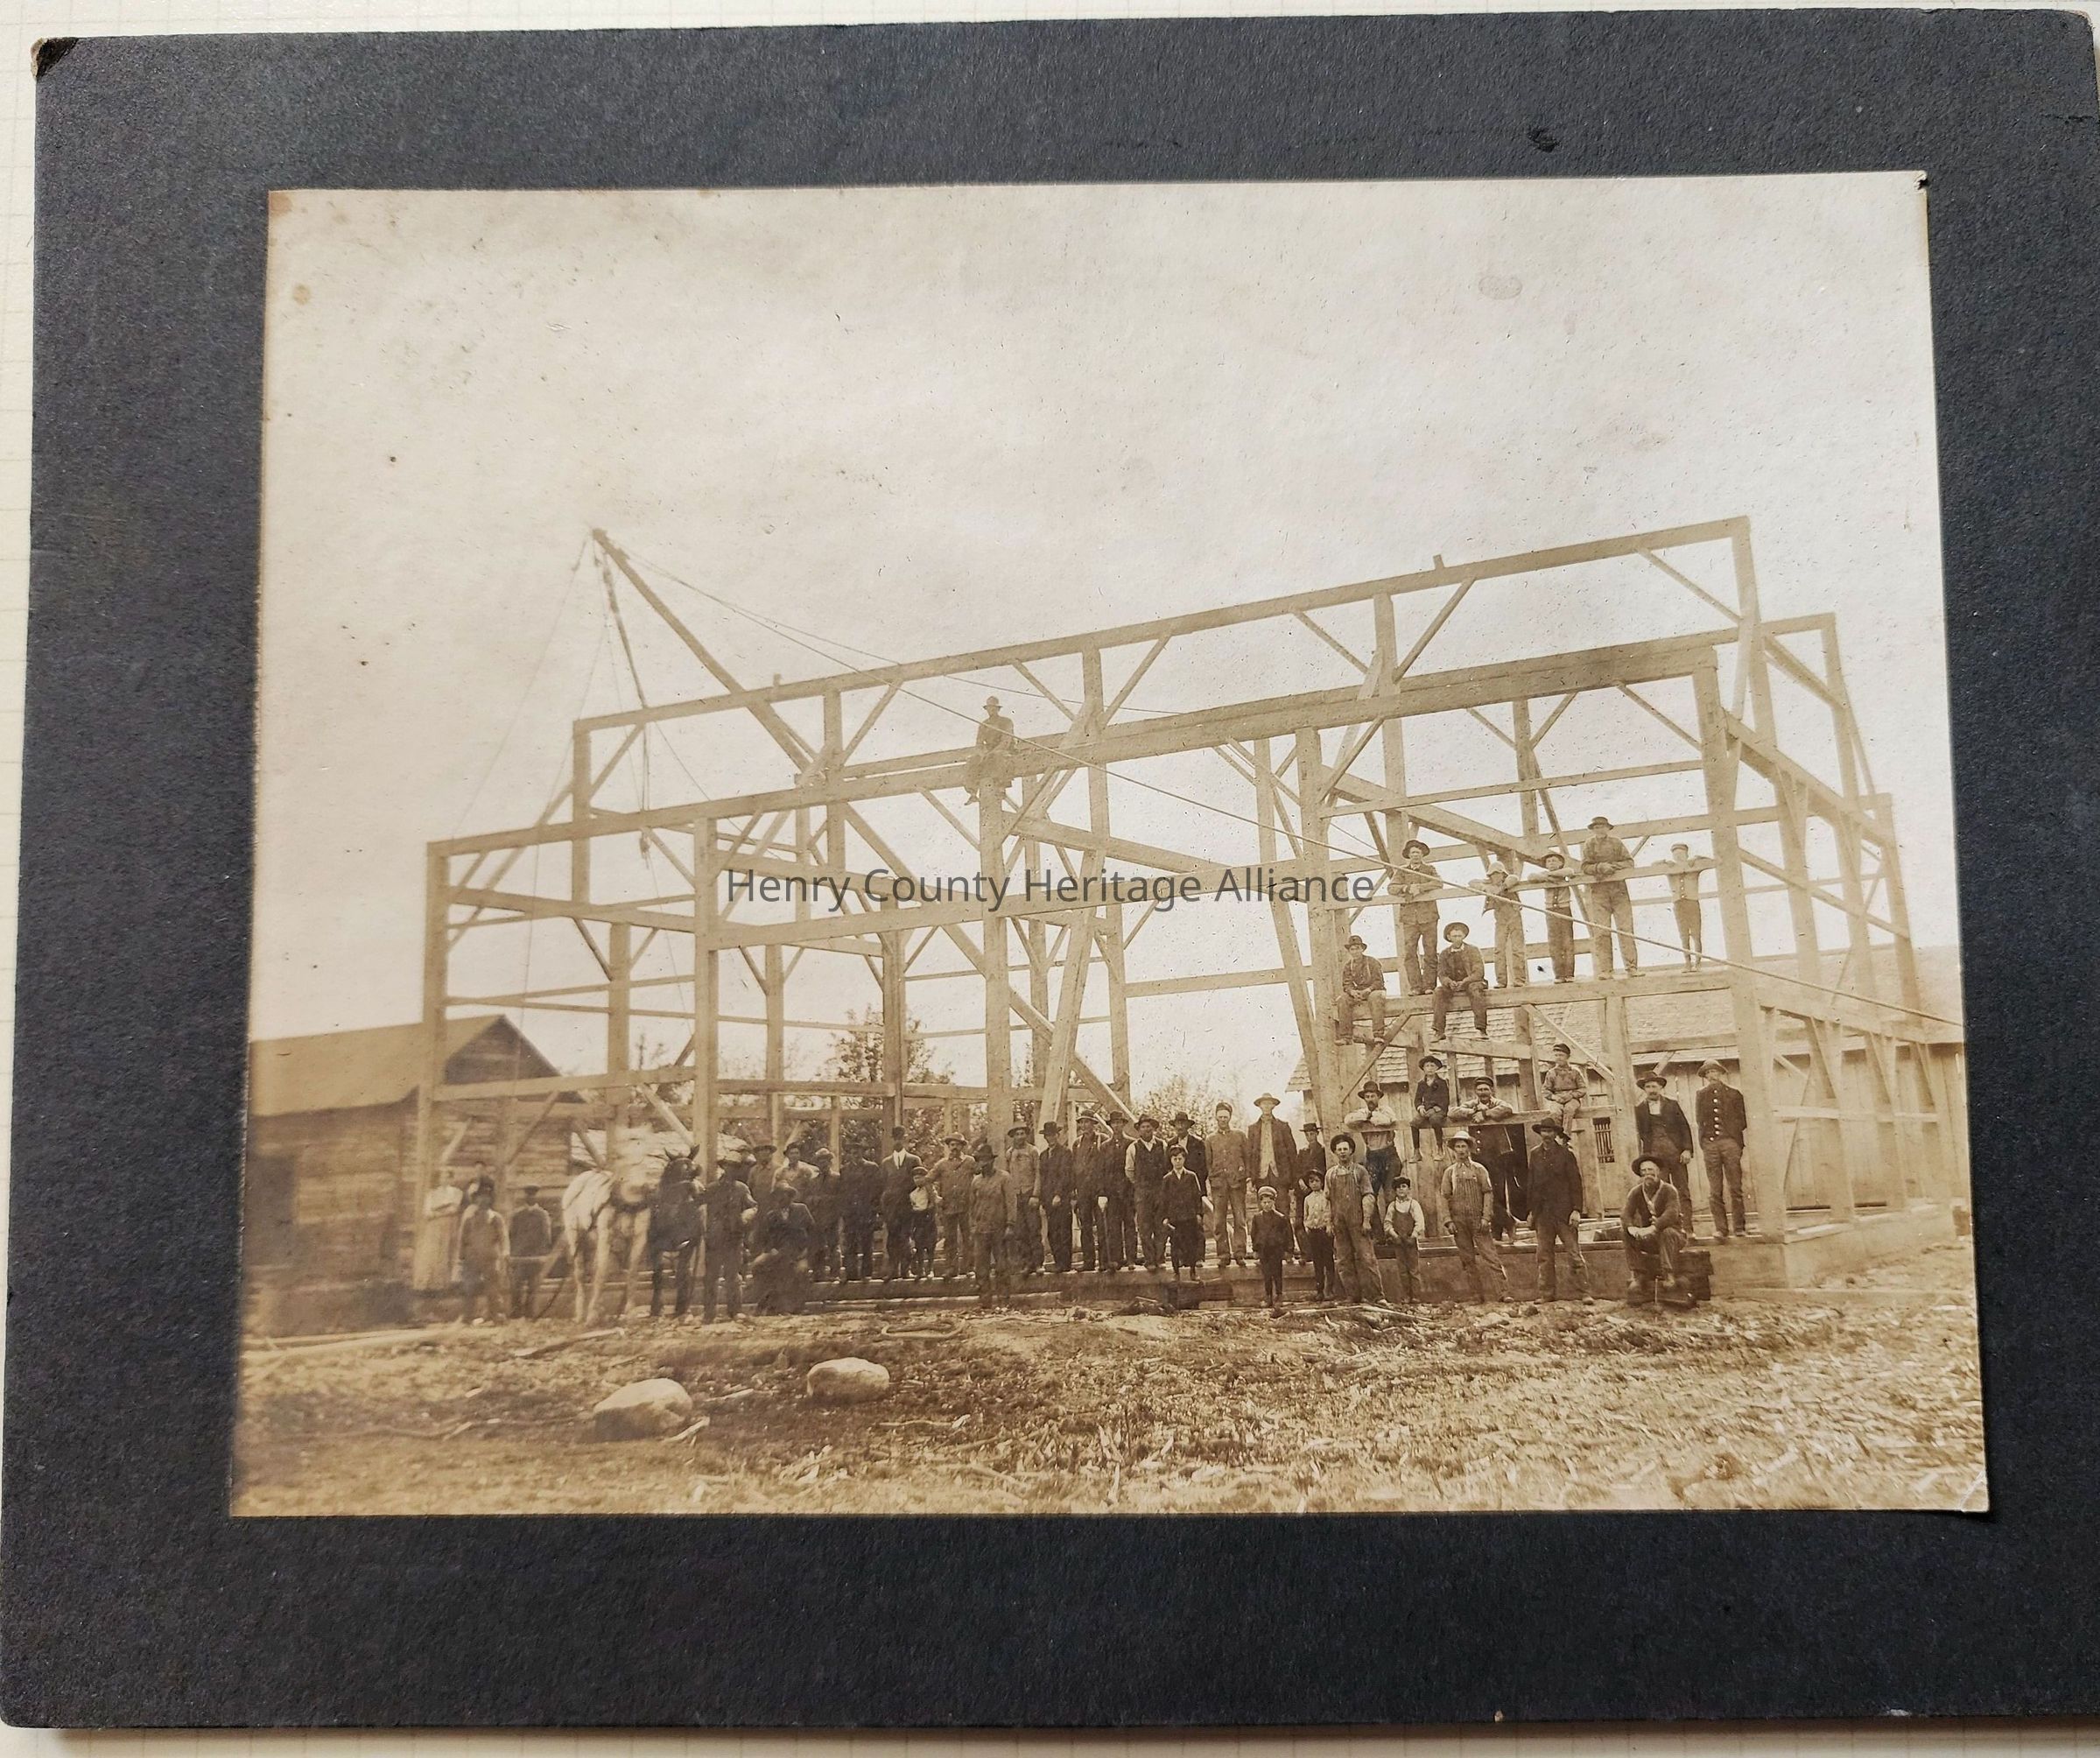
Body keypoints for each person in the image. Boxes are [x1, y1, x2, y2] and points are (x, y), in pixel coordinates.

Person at [1440, 1129, 1508, 1303]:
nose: (1461, 1150)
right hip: (1459, 1222)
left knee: (1490, 1256)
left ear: (1469, 1148)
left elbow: (1488, 1193)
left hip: (1478, 1220)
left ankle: (1503, 1293)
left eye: (1464, 1146)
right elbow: (1445, 1197)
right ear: (1454, 1150)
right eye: (1458, 1147)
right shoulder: (1450, 1172)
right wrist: (1448, 1221)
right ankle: (1476, 1296)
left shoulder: (1479, 1169)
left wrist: (1486, 1217)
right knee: (1467, 1259)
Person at [1527, 1121, 1591, 1303]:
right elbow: (1531, 1185)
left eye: (1550, 1131)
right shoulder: (1535, 1154)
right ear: (1540, 1133)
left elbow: (1576, 1184)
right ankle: (1547, 1294)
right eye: (1543, 1131)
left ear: (1555, 1134)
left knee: (1574, 1254)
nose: (1546, 1135)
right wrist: (1531, 1211)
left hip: (1564, 1213)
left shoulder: (1566, 1155)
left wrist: (1576, 1210)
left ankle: (1584, 1292)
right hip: (1543, 1214)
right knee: (1544, 1256)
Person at [1324, 1135, 1386, 1305]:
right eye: (1339, 1149)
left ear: (1351, 1151)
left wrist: (1366, 1219)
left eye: (1345, 1149)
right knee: (1344, 1260)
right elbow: (1327, 1201)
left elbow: (1368, 1196)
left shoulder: (1360, 1171)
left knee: (1367, 1258)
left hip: (1358, 1222)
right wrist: (1328, 1222)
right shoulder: (1331, 1174)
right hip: (1339, 1223)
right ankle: (1353, 1296)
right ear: (1335, 1152)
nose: (1342, 1152)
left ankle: (1377, 1296)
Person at [1623, 1153, 1692, 1306]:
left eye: (1651, 1170)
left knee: (1667, 1232)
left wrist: (1655, 1227)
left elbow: (1671, 1214)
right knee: (1627, 1233)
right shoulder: (1636, 1192)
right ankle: (1638, 1274)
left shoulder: (1669, 1190)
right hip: (1651, 1238)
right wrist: (1632, 1228)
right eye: (1644, 1171)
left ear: (1658, 1171)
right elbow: (1626, 1214)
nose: (1648, 1174)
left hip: (1673, 1235)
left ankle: (1668, 1273)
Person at [1457, 1077, 1521, 1241]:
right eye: (1480, 1090)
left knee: (1497, 1193)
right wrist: (1473, 1113)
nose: (1483, 1092)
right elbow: (1453, 1112)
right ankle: (1506, 1222)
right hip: (1478, 1156)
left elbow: (1507, 1109)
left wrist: (1485, 1114)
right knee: (1481, 1193)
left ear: (1491, 1091)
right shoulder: (1471, 1105)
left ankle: (1500, 1230)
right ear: (1475, 1092)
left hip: (1497, 1156)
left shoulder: (1497, 1103)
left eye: (1486, 1089)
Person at [697, 1154, 758, 1322]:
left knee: (733, 1276)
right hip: (715, 1239)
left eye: (735, 1167)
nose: (731, 1170)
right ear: (723, 1167)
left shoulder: (742, 1189)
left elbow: (753, 1206)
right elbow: (697, 1203)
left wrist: (747, 1214)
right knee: (711, 1276)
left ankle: (735, 1311)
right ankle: (709, 1313)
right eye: (728, 1166)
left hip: (734, 1237)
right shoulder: (712, 1188)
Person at [1696, 1060, 1751, 1240]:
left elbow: (1743, 1119)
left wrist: (1732, 1136)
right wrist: (1705, 1142)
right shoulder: (1701, 1095)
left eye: (1714, 1072)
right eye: (1708, 1073)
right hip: (1711, 1145)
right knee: (1715, 1190)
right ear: (1705, 1077)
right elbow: (1700, 1120)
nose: (1712, 1075)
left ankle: (1739, 1227)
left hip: (1729, 1144)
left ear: (1720, 1074)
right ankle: (1721, 1229)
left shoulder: (1734, 1093)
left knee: (1735, 1187)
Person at [1580, 814, 1640, 975]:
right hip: (1599, 893)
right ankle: (1606, 970)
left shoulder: (1616, 843)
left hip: (1619, 891)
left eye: (1602, 827)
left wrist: (1612, 867)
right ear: (1593, 830)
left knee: (1625, 929)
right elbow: (1584, 867)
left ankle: (1632, 968)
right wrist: (1599, 867)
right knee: (1601, 931)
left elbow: (1629, 863)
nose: (1599, 830)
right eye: (1596, 827)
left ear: (1608, 828)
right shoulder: (1589, 844)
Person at [748, 1182, 816, 1314]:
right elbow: (765, 1238)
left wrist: (807, 1251)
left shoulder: (801, 1210)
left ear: (790, 1196)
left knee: (800, 1270)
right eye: (778, 1195)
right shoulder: (771, 1215)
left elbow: (813, 1232)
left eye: (785, 1194)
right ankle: (767, 1303)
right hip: (778, 1253)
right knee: (758, 1265)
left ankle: (797, 1306)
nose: (781, 1198)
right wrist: (770, 1249)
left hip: (800, 1253)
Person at [647, 1159, 702, 1319]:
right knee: (660, 1270)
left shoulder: (693, 1187)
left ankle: (681, 1308)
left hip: (683, 1234)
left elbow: (698, 1207)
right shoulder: (662, 1190)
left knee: (682, 1271)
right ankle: (659, 1305)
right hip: (664, 1234)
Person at [1634, 1072, 1695, 1216]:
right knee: (1660, 1191)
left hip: (1676, 1154)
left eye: (1654, 1086)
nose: (1652, 1090)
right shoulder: (1639, 1109)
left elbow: (1684, 1128)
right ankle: (1666, 1225)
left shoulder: (1672, 1105)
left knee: (1682, 1190)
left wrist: (1687, 1150)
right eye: (1648, 1087)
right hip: (1655, 1157)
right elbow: (1641, 1134)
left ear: (1660, 1087)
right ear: (1644, 1089)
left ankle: (1687, 1225)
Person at [1390, 838, 1441, 993]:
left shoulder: (1430, 869)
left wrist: (1420, 888)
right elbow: (1392, 888)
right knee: (1410, 953)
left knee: (1430, 951)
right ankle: (1416, 987)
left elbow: (1438, 883)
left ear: (1422, 854)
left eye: (1418, 852)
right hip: (1409, 919)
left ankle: (1429, 986)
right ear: (1409, 855)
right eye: (1413, 852)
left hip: (1429, 917)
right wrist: (1406, 888)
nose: (1415, 855)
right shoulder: (1402, 871)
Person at [454, 1181, 509, 1324]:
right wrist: (461, 1256)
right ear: (475, 1200)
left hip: (490, 1258)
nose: (482, 1200)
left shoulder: (496, 1218)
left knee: (493, 1288)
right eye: (479, 1197)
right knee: (469, 1287)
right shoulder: (469, 1219)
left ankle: (495, 1315)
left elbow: (503, 1236)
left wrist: (505, 1251)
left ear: (490, 1199)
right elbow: (462, 1238)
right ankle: (468, 1316)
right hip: (472, 1258)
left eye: (486, 1197)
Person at [968, 1149, 1016, 1309]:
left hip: (999, 1229)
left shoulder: (1004, 1178)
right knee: (981, 1267)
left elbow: (1011, 1202)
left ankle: (1004, 1300)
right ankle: (985, 1301)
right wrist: (973, 1226)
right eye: (980, 1161)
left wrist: (1010, 1224)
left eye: (986, 1160)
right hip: (981, 1229)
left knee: (1002, 1265)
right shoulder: (976, 1181)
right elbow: (972, 1206)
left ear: (992, 1161)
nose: (984, 1164)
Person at [1205, 1101, 1249, 1269]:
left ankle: (1240, 1253)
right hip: (1219, 1185)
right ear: (1216, 1118)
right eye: (1220, 1117)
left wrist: (1245, 1176)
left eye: (1225, 1117)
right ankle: (1223, 1254)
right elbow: (1208, 1163)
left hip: (1237, 1184)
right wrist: (1213, 1179)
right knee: (1218, 1221)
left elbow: (1247, 1158)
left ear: (1230, 1117)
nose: (1223, 1120)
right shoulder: (1210, 1139)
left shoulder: (1239, 1136)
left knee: (1240, 1219)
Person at [1431, 920, 1490, 1039]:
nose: (1457, 939)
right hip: (1453, 986)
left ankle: (1481, 1030)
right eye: (1454, 936)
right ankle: (1439, 1031)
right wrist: (1449, 982)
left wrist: (1465, 982)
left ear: (1464, 936)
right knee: (1438, 992)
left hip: (1472, 983)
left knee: (1474, 989)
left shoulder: (1473, 950)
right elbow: (1441, 974)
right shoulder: (1444, 954)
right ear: (1449, 937)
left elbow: (1478, 973)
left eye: (1459, 936)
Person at [1127, 1115, 1170, 1270]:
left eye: (1149, 1127)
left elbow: (1167, 1167)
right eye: (1143, 1127)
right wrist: (1140, 1185)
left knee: (1161, 1226)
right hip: (1142, 1192)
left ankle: (1160, 1258)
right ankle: (1150, 1260)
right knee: (1144, 1227)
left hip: (1159, 1191)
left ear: (1153, 1129)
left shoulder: (1162, 1145)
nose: (1146, 1129)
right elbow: (1129, 1171)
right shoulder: (1133, 1148)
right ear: (1139, 1130)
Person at [1345, 1079, 1401, 1199]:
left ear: (1378, 1097)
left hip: (1389, 1154)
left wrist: (1371, 1116)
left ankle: (1390, 1212)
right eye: (1367, 1097)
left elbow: (1388, 1120)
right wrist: (1366, 1116)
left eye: (1373, 1096)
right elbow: (1348, 1120)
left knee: (1390, 1192)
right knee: (1370, 1192)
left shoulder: (1386, 1110)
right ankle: (1373, 1213)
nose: (1370, 1099)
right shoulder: (1362, 1112)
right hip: (1372, 1156)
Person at [879, 1129, 922, 1282]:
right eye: (895, 1138)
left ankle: (906, 1269)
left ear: (905, 1140)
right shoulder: (886, 1163)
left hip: (907, 1205)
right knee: (892, 1238)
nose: (898, 1141)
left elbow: (919, 1182)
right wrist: (884, 1207)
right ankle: (892, 1269)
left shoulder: (913, 1160)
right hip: (891, 1208)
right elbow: (883, 1186)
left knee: (906, 1237)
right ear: (892, 1140)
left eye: (901, 1138)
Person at [1333, 933, 1389, 1045]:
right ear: (1349, 951)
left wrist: (1369, 989)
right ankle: (1346, 1037)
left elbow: (1379, 981)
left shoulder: (1372, 962)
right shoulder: (1348, 966)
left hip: (1374, 990)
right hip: (1359, 992)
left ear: (1362, 949)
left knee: (1375, 998)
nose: (1355, 952)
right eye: (1352, 949)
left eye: (1357, 948)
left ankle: (1378, 1034)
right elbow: (1346, 984)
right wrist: (1352, 992)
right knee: (1342, 1000)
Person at [1244, 1093, 1298, 1209]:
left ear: (1273, 1106)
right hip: (1261, 1174)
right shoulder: (1253, 1129)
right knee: (1264, 1209)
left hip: (1280, 1174)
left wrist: (1294, 1178)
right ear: (1260, 1106)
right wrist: (1249, 1177)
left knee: (1282, 1208)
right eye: (1264, 1104)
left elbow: (1292, 1153)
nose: (1267, 1106)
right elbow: (1249, 1155)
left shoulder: (1282, 1126)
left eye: (1269, 1104)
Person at [508, 1185, 553, 1318]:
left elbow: (546, 1237)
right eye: (528, 1194)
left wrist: (543, 1254)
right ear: (525, 1196)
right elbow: (511, 1235)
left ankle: (529, 1314)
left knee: (533, 1286)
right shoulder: (517, 1215)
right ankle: (516, 1313)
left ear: (536, 1197)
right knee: (516, 1285)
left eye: (533, 1194)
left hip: (535, 1256)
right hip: (520, 1256)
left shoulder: (542, 1215)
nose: (530, 1197)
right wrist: (513, 1253)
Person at [1003, 1124, 1043, 1275]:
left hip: (1029, 1193)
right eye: (1017, 1134)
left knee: (1034, 1229)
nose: (1020, 1137)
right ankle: (1027, 1263)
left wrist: (1035, 1195)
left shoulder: (1033, 1151)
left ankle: (1038, 1263)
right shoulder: (1010, 1153)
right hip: (1016, 1195)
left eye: (1022, 1134)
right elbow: (1007, 1175)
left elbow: (1038, 1173)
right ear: (1013, 1137)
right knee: (1020, 1231)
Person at [935, 1133, 975, 1279]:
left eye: (958, 1144)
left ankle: (968, 1267)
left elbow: (981, 1175)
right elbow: (927, 1180)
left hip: (966, 1205)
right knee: (950, 1238)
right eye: (952, 1145)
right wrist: (935, 1196)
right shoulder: (941, 1164)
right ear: (948, 1147)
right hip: (948, 1207)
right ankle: (951, 1268)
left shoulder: (970, 1161)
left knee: (968, 1237)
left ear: (962, 1146)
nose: (955, 1147)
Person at [839, 1148, 882, 1281]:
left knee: (866, 1244)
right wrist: (844, 1210)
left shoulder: (872, 1168)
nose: (855, 1154)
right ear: (850, 1154)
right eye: (853, 1152)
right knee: (850, 1244)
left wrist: (875, 1209)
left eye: (858, 1151)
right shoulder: (845, 1170)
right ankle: (851, 1274)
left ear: (862, 1153)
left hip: (866, 1212)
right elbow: (842, 1192)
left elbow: (877, 1190)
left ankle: (866, 1273)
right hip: (851, 1213)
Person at [1482, 861, 1528, 988]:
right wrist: (1485, 888)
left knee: (1517, 949)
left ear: (1503, 874)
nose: (1495, 877)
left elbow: (1514, 878)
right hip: (1500, 920)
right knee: (1499, 950)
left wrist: (1501, 888)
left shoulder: (1509, 881)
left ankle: (1519, 980)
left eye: (1498, 874)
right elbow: (1472, 882)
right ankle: (1501, 981)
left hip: (1514, 918)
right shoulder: (1489, 886)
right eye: (1493, 875)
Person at [1038, 1121, 1076, 1273]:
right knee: (1052, 1232)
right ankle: (1058, 1261)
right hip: (1048, 1199)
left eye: (1053, 1135)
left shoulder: (1065, 1153)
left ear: (1058, 1135)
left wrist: (1059, 1194)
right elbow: (1042, 1178)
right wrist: (1043, 1199)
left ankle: (1065, 1264)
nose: (1051, 1138)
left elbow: (1066, 1175)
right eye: (1048, 1135)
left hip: (1062, 1198)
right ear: (1045, 1137)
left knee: (1064, 1230)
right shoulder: (1043, 1155)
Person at [1162, 1147, 1205, 1278]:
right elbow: (1164, 1200)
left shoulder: (1191, 1176)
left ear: (1184, 1159)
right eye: (1175, 1159)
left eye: (1180, 1159)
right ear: (1171, 1160)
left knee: (1191, 1243)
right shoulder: (1167, 1179)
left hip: (1189, 1216)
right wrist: (1165, 1217)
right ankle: (1176, 1272)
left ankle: (1192, 1271)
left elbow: (1197, 1196)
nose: (1177, 1162)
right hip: (1175, 1218)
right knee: (1175, 1245)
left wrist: (1198, 1213)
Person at [1382, 1175, 1425, 1302]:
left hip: (1410, 1241)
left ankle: (1416, 1296)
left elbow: (1420, 1222)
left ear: (1409, 1189)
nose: (1401, 1189)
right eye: (1398, 1187)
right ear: (1395, 1190)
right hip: (1399, 1242)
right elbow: (1387, 1223)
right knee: (1402, 1270)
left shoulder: (1413, 1204)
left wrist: (1413, 1236)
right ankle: (1406, 1296)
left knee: (1413, 1270)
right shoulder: (1393, 1206)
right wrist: (1394, 1236)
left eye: (1404, 1186)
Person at [1538, 849, 1578, 982]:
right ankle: (1559, 975)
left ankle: (1569, 974)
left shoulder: (1564, 873)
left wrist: (1551, 875)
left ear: (1561, 863)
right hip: (1550, 912)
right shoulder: (1543, 875)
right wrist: (1547, 877)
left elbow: (1570, 871)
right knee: (1554, 944)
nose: (1551, 863)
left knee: (1567, 942)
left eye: (1554, 861)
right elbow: (1532, 876)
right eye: (1549, 861)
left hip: (1564, 910)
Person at [1667, 843, 1708, 969]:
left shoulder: (1693, 866)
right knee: (1684, 935)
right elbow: (1654, 865)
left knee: (1696, 934)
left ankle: (1698, 963)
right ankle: (1688, 963)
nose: (1678, 857)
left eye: (1681, 854)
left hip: (1692, 903)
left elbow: (1709, 861)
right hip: (1678, 904)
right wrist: (1665, 862)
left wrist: (1696, 858)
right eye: (1676, 855)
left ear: (1686, 855)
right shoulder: (1670, 868)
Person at [969, 694, 1015, 805]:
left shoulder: (1006, 722)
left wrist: (993, 752)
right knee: (973, 759)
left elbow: (1006, 741)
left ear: (998, 709)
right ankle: (973, 792)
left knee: (998, 756)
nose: (991, 710)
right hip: (989, 751)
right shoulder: (984, 724)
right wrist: (982, 753)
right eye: (989, 708)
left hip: (1005, 750)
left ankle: (1001, 788)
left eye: (994, 708)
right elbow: (979, 743)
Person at [804, 1152, 842, 1283]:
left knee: (833, 1246)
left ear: (830, 1162)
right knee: (817, 1247)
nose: (823, 1164)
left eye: (825, 1161)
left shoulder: (837, 1178)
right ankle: (818, 1273)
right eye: (820, 1162)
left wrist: (826, 1199)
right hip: (817, 1218)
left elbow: (842, 1197)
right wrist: (813, 1199)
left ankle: (835, 1273)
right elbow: (807, 1198)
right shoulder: (813, 1181)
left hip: (832, 1217)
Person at [1252, 1189, 1293, 1309]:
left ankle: (1279, 1296)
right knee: (1266, 1274)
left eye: (1269, 1202)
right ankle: (1268, 1296)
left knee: (1277, 1274)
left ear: (1274, 1202)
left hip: (1276, 1250)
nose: (1266, 1205)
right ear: (1260, 1203)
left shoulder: (1280, 1218)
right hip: (1264, 1250)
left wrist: (1288, 1250)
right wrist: (1255, 1249)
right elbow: (1254, 1234)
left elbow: (1287, 1235)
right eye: (1264, 1202)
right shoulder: (1257, 1218)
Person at [1300, 1172, 1335, 1301]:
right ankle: (1319, 1290)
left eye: (1317, 1181)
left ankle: (1329, 1290)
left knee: (1328, 1261)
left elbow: (1329, 1212)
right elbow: (1306, 1215)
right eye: (1311, 1182)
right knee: (1317, 1262)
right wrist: (1307, 1227)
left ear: (1322, 1182)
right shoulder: (1307, 1199)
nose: (1314, 1184)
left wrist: (1329, 1226)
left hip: (1324, 1232)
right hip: (1313, 1233)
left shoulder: (1326, 1197)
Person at [1409, 1053, 1450, 1162]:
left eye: (1432, 1066)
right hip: (1426, 1110)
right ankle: (1417, 1152)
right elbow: (1417, 1099)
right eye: (1427, 1066)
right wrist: (1420, 1108)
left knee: (1435, 1120)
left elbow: (1445, 1100)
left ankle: (1440, 1149)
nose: (1430, 1068)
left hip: (1439, 1110)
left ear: (1436, 1068)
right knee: (1414, 1123)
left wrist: (1436, 1109)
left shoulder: (1442, 1082)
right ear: (1423, 1069)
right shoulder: (1421, 1084)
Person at [1542, 1043, 1586, 1135]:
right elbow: (1545, 1090)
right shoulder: (1551, 1073)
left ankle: (1565, 1135)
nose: (1558, 1058)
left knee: (1569, 1109)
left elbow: (1583, 1089)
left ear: (1568, 1057)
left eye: (1561, 1055)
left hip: (1573, 1099)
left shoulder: (1575, 1072)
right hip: (1558, 1099)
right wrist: (1555, 1097)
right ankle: (1557, 1135)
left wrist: (1571, 1095)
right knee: (1555, 1112)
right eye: (1556, 1055)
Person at [907, 1161, 939, 1278]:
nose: (917, 1180)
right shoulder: (913, 1194)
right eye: (915, 1178)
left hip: (929, 1219)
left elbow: (934, 1202)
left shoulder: (930, 1190)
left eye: (920, 1178)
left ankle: (930, 1269)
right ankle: (920, 1270)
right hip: (918, 1220)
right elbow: (913, 1207)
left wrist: (930, 1211)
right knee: (919, 1245)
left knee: (931, 1245)